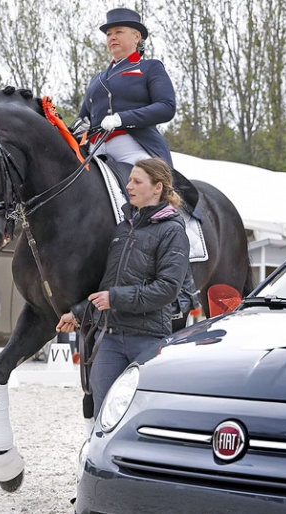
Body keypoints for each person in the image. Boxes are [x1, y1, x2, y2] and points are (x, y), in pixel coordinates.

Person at [56, 157, 190, 417]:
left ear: (157, 188)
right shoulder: (122, 229)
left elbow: (167, 288)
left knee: (144, 413)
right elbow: (110, 286)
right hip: (110, 338)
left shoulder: (172, 232)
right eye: (129, 180)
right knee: (102, 411)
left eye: (137, 181)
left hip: (148, 339)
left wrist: (114, 299)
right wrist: (78, 313)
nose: (129, 186)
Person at [71, 7, 176, 167]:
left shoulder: (149, 67)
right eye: (108, 34)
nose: (112, 37)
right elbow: (83, 118)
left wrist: (122, 118)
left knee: (141, 183)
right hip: (94, 149)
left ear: (137, 37)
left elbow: (166, 107)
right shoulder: (96, 79)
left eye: (118, 32)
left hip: (134, 145)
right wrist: (77, 127)